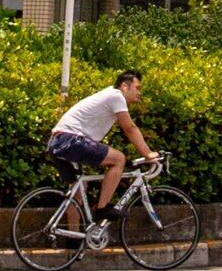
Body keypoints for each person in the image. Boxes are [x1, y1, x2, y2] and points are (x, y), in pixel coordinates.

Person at [47, 67, 156, 229]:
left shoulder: (108, 95)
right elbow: (130, 128)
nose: (139, 93)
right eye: (137, 88)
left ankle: (73, 237)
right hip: (70, 139)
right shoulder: (116, 96)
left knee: (78, 191)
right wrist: (148, 154)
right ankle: (102, 208)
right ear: (124, 86)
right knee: (119, 159)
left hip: (57, 142)